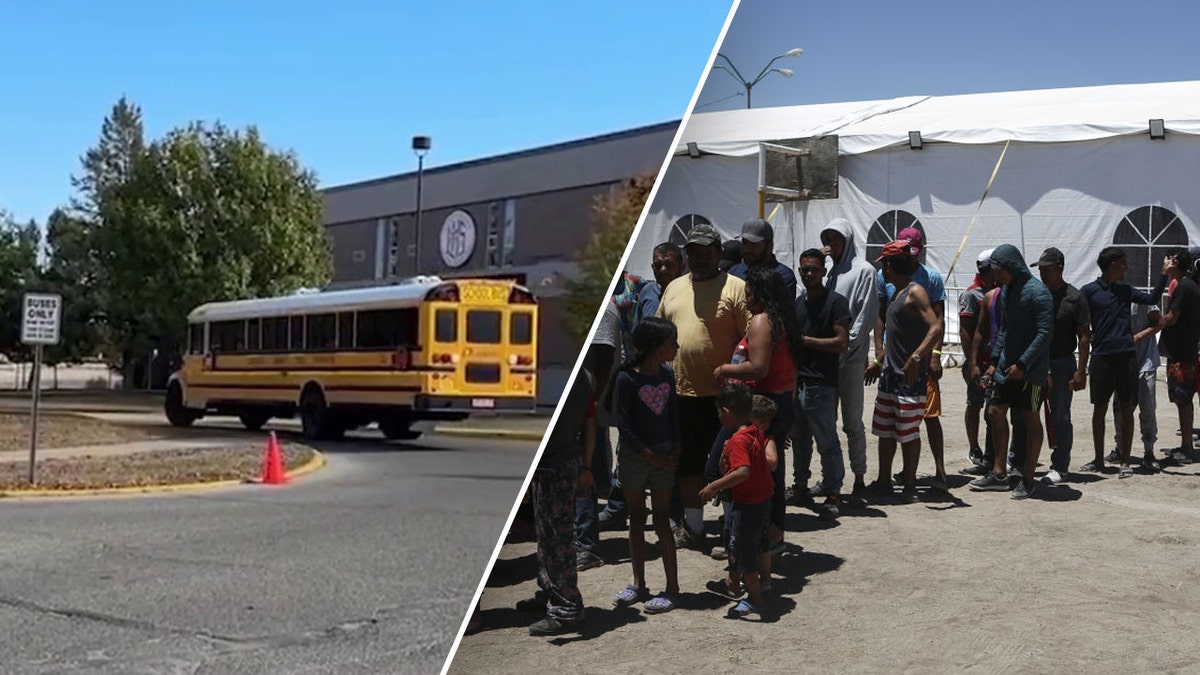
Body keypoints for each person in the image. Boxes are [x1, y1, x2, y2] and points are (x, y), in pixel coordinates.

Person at [657, 223, 751, 549]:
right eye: (694, 252)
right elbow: (661, 334)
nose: (700, 258)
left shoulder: (736, 287)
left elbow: (750, 339)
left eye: (706, 252)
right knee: (689, 464)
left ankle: (730, 531)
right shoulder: (673, 288)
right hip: (682, 393)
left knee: (728, 464)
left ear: (719, 253)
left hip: (725, 398)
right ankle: (694, 529)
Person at [712, 265, 801, 550]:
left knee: (728, 467)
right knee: (767, 474)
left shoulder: (762, 322)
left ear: (762, 294)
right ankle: (764, 538)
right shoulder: (779, 320)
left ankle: (752, 538)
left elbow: (759, 368)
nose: (746, 300)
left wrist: (724, 369)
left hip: (763, 406)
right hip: (776, 404)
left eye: (749, 294)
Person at [608, 317, 681, 614]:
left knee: (662, 521)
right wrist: (647, 453)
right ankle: (638, 584)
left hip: (664, 455)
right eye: (671, 342)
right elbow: (622, 422)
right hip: (636, 457)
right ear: (655, 345)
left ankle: (673, 587)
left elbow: (674, 413)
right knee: (636, 518)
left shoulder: (666, 375)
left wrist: (677, 445)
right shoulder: (627, 378)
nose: (676, 347)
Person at [971, 244, 1053, 499]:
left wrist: (1024, 364)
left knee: (1030, 418)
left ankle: (1027, 479)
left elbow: (1044, 333)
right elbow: (1004, 328)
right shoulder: (1006, 291)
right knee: (994, 412)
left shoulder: (1038, 293)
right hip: (1006, 366)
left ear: (1011, 267)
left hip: (1031, 371)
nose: (996, 277)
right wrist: (994, 362)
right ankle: (999, 473)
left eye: (999, 271)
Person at [870, 227, 949, 489]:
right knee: (886, 429)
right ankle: (884, 480)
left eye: (884, 263)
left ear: (891, 265)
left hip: (909, 375)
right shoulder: (896, 290)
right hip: (890, 374)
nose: (882, 268)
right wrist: (879, 361)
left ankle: (910, 484)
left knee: (908, 431)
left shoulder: (916, 291)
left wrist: (919, 357)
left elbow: (936, 326)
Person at [1080, 247, 1167, 475]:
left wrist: (1163, 274)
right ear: (1111, 266)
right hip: (1101, 357)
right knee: (1099, 409)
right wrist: (1087, 337)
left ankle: (1125, 462)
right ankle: (1098, 460)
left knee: (1127, 408)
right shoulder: (1089, 292)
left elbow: (1151, 299)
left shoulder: (1125, 291)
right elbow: (1077, 319)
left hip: (1127, 356)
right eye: (1122, 263)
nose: (1126, 268)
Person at [522, 367, 596, 636]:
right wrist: (586, 466)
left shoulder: (555, 376)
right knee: (546, 536)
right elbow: (590, 423)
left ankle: (566, 607)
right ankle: (550, 592)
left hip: (556, 464)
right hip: (560, 462)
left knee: (557, 539)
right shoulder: (584, 376)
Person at [700, 382, 774, 620]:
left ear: (728, 411)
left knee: (744, 552)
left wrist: (713, 486)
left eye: (719, 412)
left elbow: (743, 471)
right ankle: (741, 586)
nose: (718, 417)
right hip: (760, 500)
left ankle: (755, 599)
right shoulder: (754, 431)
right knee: (743, 546)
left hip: (748, 503)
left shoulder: (737, 440)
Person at [817, 218, 879, 496]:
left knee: (852, 421)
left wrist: (848, 343)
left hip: (851, 357)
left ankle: (859, 476)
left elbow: (867, 314)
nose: (831, 243)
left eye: (836, 237)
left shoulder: (864, 270)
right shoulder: (828, 274)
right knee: (826, 421)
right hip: (828, 357)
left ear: (848, 239)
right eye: (828, 237)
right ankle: (830, 478)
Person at [789, 249, 851, 520]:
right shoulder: (797, 304)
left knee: (826, 441)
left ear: (824, 271)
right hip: (797, 382)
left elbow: (842, 342)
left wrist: (807, 342)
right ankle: (800, 486)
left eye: (814, 269)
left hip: (822, 384)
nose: (809, 274)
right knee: (799, 440)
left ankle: (833, 491)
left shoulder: (836, 302)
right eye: (804, 269)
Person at [1031, 247, 1091, 485]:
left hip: (1063, 362)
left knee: (1061, 416)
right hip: (1035, 362)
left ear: (1060, 268)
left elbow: (1084, 336)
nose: (1044, 274)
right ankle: (1020, 461)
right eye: (1041, 270)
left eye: (1048, 269)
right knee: (1027, 412)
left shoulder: (1074, 298)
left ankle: (1060, 466)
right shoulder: (1037, 295)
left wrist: (1081, 370)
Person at [1110, 301, 1162, 469]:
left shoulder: (1142, 301)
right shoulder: (1111, 299)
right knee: (1120, 410)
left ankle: (1149, 451)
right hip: (1123, 363)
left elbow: (1159, 322)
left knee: (1147, 409)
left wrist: (1138, 337)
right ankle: (1120, 449)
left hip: (1145, 362)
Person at [1159, 249, 1199, 465]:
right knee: (1183, 400)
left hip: (1181, 354)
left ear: (1175, 262)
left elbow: (1172, 318)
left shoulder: (1183, 286)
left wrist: (1154, 322)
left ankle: (1187, 447)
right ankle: (1186, 445)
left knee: (1183, 400)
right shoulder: (1186, 285)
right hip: (1184, 352)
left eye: (1169, 259)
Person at [958, 249, 997, 469]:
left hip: (994, 360)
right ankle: (974, 447)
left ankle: (992, 452)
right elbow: (965, 331)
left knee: (994, 408)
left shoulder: (1000, 291)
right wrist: (971, 362)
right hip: (978, 360)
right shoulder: (972, 294)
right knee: (975, 403)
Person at [727, 218, 799, 300]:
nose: (747, 249)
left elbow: (781, 310)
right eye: (745, 243)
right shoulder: (734, 272)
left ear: (769, 246)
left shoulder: (783, 276)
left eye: (754, 244)